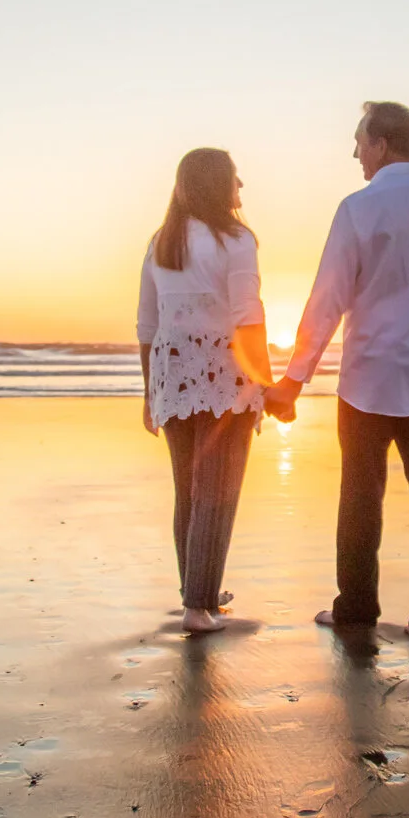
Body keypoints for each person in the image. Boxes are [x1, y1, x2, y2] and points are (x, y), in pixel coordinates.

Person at [265, 101, 409, 643]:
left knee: (360, 495)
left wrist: (293, 378)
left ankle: (357, 607)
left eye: (359, 139)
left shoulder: (359, 207)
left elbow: (328, 298)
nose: (354, 150)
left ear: (381, 144)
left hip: (368, 380)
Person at [137, 148, 280, 634]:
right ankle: (198, 607)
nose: (242, 189)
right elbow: (248, 316)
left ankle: (198, 591)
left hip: (171, 376)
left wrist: (147, 393)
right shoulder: (237, 239)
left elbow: (146, 325)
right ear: (219, 185)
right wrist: (265, 381)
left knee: (190, 492)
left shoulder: (162, 241)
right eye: (237, 180)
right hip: (224, 380)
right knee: (218, 492)